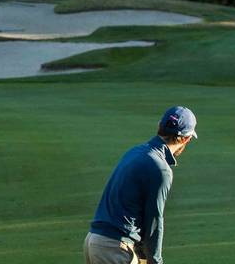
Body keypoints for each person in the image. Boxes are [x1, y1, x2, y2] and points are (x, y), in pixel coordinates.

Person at [84, 105, 197, 264]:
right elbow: (154, 221)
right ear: (186, 138)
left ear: (159, 126)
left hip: (95, 241)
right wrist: (155, 261)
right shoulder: (161, 169)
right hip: (114, 248)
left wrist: (143, 257)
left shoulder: (135, 152)